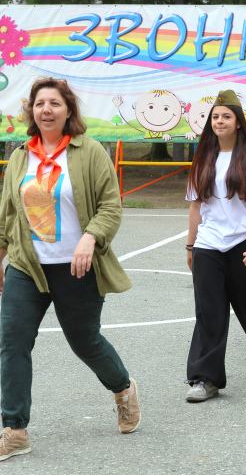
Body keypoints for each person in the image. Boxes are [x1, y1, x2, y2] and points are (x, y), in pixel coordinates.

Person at [0, 78, 140, 462]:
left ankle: (123, 388)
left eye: (54, 103)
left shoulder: (89, 151)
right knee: (12, 342)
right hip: (27, 266)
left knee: (85, 342)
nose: (46, 110)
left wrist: (90, 237)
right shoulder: (20, 157)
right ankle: (15, 429)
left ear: (68, 111)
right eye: (39, 103)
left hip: (77, 267)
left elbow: (110, 206)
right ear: (31, 111)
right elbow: (7, 213)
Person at [185, 90, 246, 403]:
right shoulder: (203, 157)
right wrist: (191, 246)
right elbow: (195, 205)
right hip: (208, 245)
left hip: (243, 243)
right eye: (215, 117)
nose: (220, 121)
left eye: (226, 116)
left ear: (238, 122)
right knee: (208, 312)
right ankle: (204, 378)